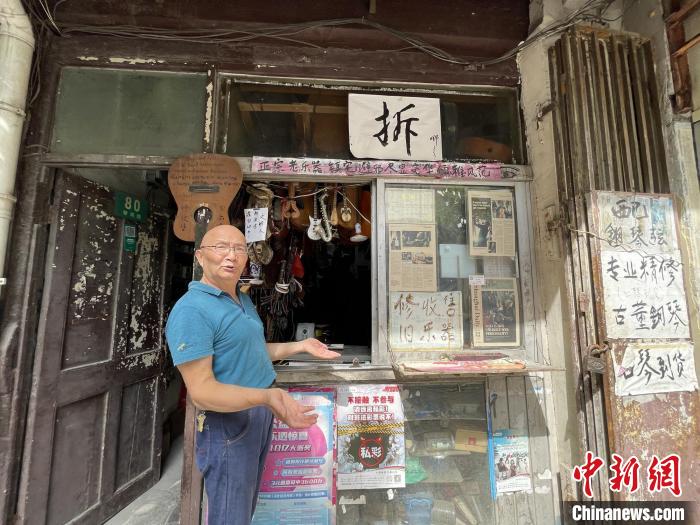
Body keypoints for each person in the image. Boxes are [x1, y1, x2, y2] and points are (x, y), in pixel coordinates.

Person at [165, 224, 340, 525]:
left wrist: (300, 346)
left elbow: (252, 349)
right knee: (230, 514)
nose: (231, 255)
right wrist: (267, 396)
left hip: (257, 413)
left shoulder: (240, 298)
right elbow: (202, 391)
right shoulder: (192, 310)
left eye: (239, 248)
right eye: (221, 247)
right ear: (199, 257)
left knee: (244, 508)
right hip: (228, 423)